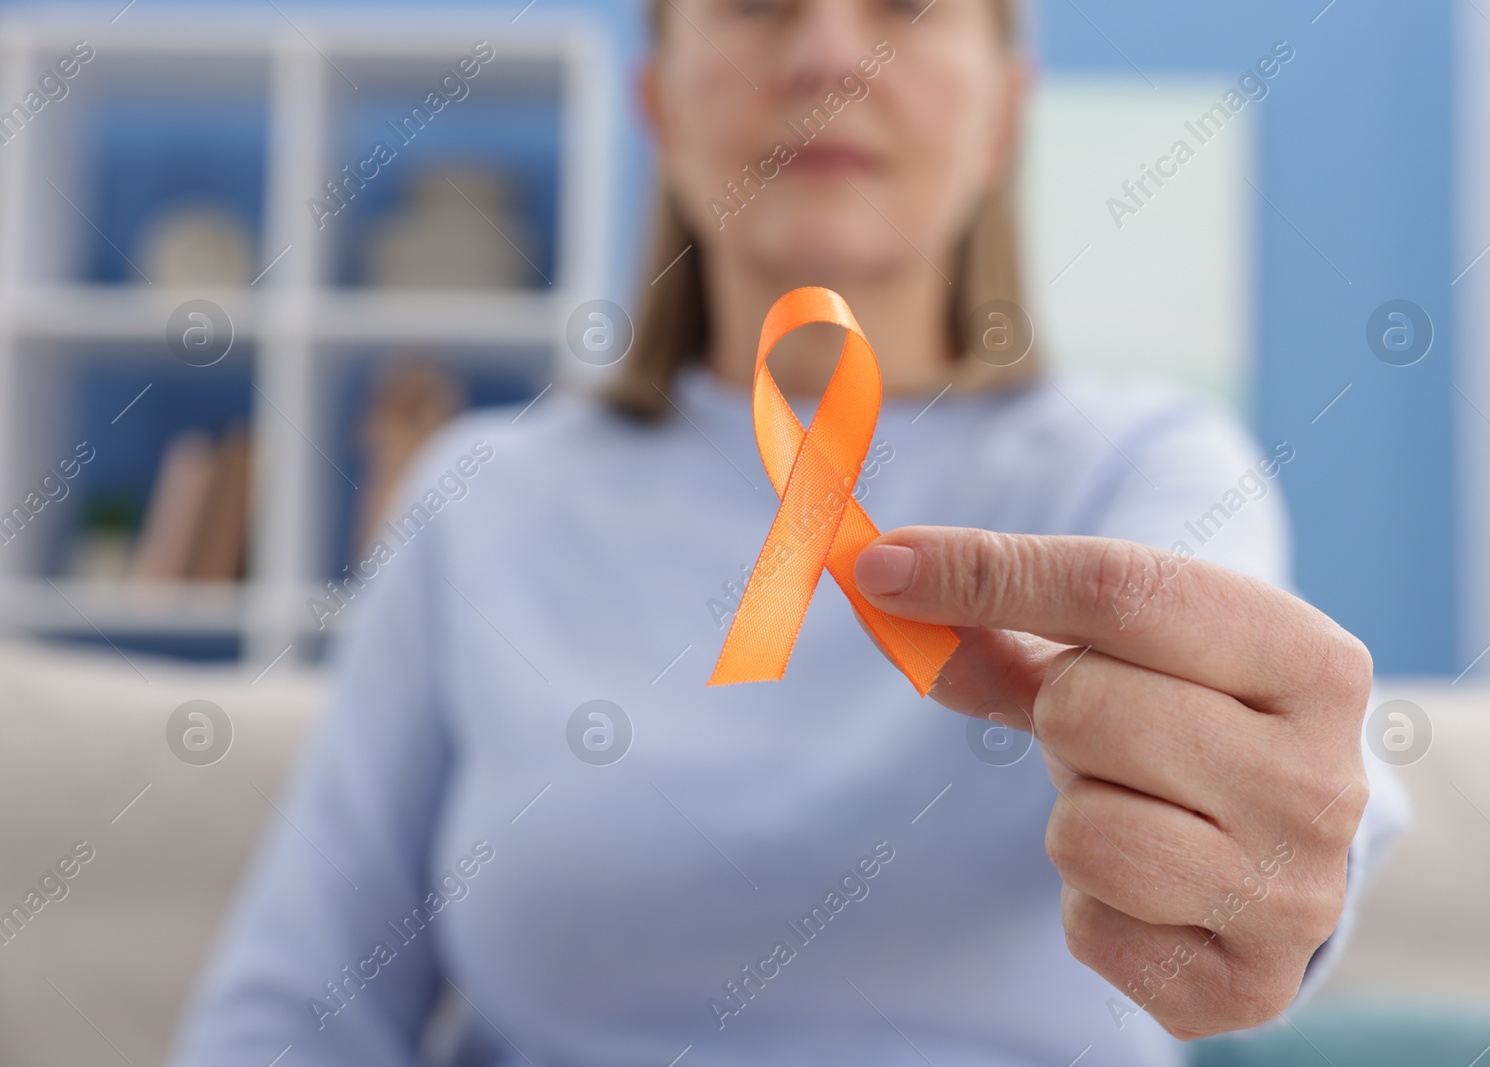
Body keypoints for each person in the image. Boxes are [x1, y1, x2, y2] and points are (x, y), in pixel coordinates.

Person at [169, 0, 1408, 1064]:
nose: (826, 54)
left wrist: (1270, 856)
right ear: (656, 105)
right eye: (757, 2)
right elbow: (292, 1007)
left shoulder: (1145, 467)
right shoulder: (476, 499)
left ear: (1000, 112)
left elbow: (1261, 779)